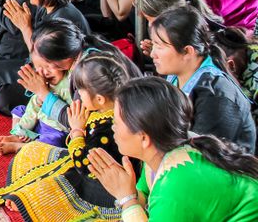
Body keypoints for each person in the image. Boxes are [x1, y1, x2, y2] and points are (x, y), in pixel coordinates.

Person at [0, 52, 140, 217]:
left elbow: (83, 164)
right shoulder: (106, 112)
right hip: (89, 166)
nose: (78, 95)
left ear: (100, 99)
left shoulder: (106, 128)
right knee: (32, 151)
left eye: (81, 90)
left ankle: (28, 199)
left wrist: (77, 130)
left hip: (103, 186)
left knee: (51, 187)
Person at [88, 76, 258, 221]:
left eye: (117, 122)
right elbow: (144, 197)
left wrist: (126, 198)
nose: (113, 128)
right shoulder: (162, 153)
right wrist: (126, 190)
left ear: (144, 138)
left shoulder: (174, 186)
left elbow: (157, 202)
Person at [147, 6, 256, 151]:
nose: (152, 54)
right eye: (153, 44)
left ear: (187, 51)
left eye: (159, 46)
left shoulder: (216, 95)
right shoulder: (175, 75)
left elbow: (202, 156)